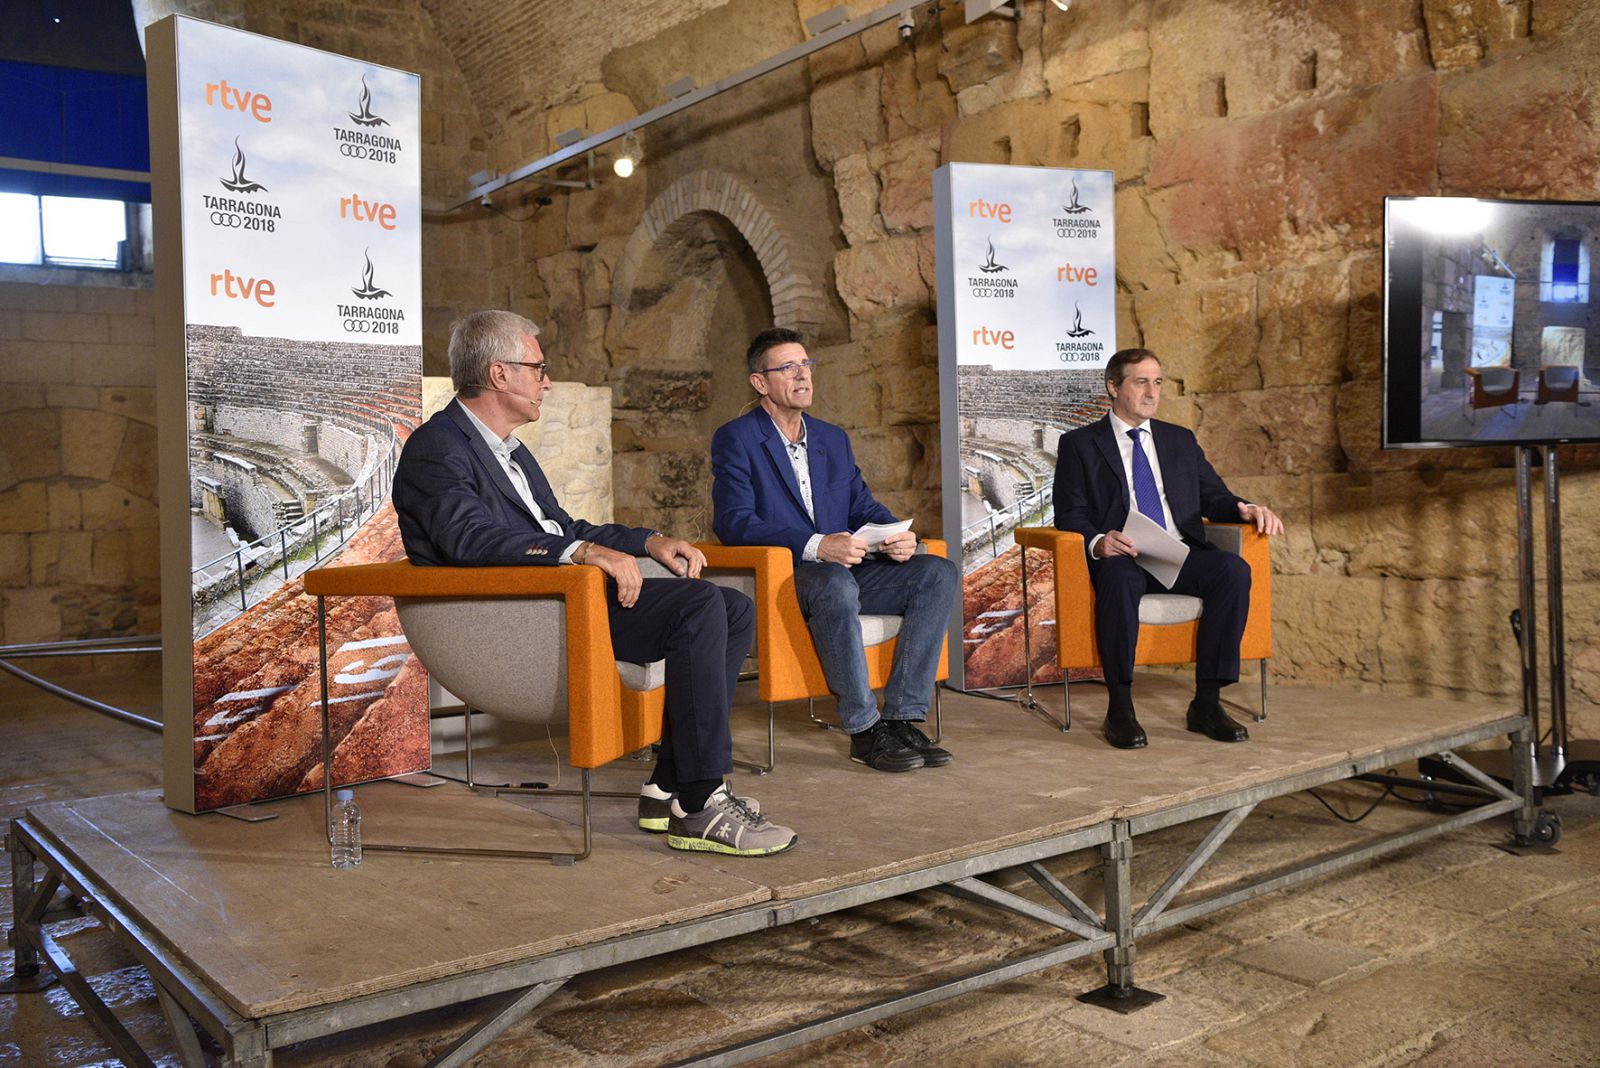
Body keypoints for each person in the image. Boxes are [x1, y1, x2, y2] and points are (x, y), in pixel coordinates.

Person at [392, 310, 795, 857]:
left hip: (562, 601)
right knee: (698, 606)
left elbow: (559, 527)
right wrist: (578, 552)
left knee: (733, 608)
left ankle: (667, 786)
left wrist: (647, 540)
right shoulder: (436, 447)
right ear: (499, 374)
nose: (547, 380)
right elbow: (468, 540)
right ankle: (699, 802)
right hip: (521, 619)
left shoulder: (508, 449)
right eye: (538, 367)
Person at [710, 328, 959, 772]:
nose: (802, 374)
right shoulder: (737, 438)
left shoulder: (832, 439)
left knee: (937, 572)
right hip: (789, 573)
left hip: (844, 569)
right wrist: (816, 545)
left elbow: (861, 505)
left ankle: (902, 718)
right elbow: (733, 521)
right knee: (836, 583)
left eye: (806, 364)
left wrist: (895, 535)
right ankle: (864, 730)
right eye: (788, 367)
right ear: (760, 383)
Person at [1053, 347, 1284, 750]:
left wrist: (1244, 508)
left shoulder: (1179, 440)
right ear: (1113, 386)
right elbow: (1070, 512)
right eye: (1141, 381)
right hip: (1123, 554)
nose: (1152, 392)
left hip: (1177, 551)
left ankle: (1207, 703)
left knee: (1232, 570)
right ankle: (1121, 707)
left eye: (1157, 382)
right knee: (1120, 579)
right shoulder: (1080, 444)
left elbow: (1214, 496)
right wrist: (1098, 542)